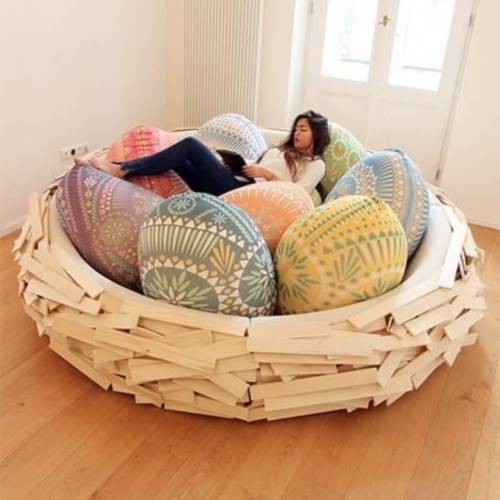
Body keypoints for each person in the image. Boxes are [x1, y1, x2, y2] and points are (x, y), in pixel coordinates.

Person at [80, 110, 330, 196]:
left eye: (303, 129)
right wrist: (227, 161)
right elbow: (254, 166)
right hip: (237, 180)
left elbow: (299, 193)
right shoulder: (281, 151)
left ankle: (121, 169)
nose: (296, 133)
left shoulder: (316, 165)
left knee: (189, 145)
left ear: (316, 134)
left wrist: (266, 174)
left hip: (243, 193)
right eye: (296, 128)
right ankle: (122, 173)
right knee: (178, 161)